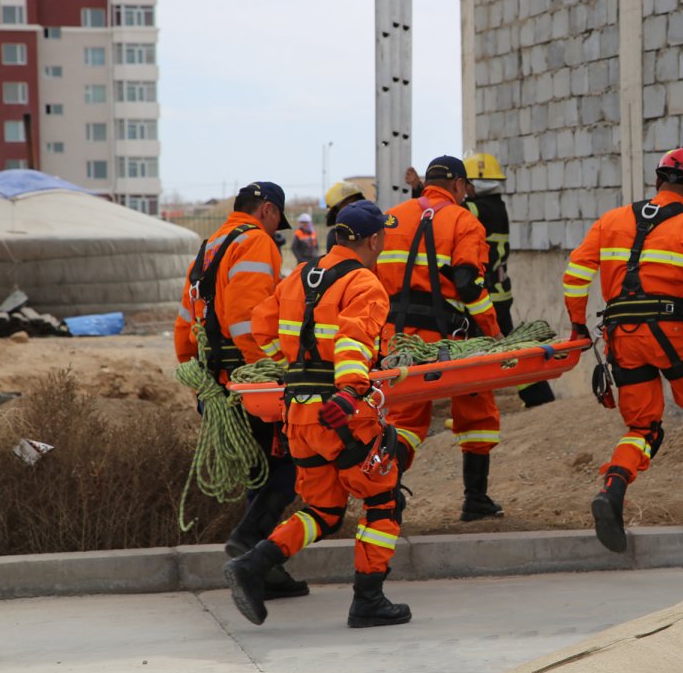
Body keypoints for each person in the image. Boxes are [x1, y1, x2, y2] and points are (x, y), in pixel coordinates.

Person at [225, 199, 410, 628]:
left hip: (298, 415)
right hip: (339, 415)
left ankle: (252, 565)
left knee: (324, 510)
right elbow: (353, 342)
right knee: (383, 500)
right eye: (383, 235)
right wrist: (349, 391)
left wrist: (294, 367)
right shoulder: (364, 282)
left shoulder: (300, 275)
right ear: (374, 240)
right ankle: (369, 600)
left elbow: (262, 325)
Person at [562, 148, 683, 553]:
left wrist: (578, 324)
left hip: (622, 336)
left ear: (658, 180)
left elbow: (575, 274)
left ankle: (612, 491)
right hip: (673, 333)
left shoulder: (611, 220)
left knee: (642, 428)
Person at [174, 181, 309, 597]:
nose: (275, 230)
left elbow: (184, 323)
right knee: (292, 465)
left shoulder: (209, 247)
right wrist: (268, 374)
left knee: (260, 471)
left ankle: (262, 572)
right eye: (276, 220)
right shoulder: (255, 242)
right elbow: (245, 319)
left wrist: (200, 380)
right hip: (246, 379)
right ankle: (250, 544)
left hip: (217, 380)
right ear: (267, 210)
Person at [378, 155, 506, 522]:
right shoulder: (464, 221)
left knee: (403, 418)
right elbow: (469, 285)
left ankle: (385, 496)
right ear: (458, 185)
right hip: (453, 338)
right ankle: (475, 499)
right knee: (478, 411)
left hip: (398, 338)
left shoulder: (391, 218)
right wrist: (493, 332)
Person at [461, 152, 554, 408]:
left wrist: (420, 191)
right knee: (508, 344)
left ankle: (534, 397)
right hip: (498, 289)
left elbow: (447, 212)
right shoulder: (495, 206)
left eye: (465, 183)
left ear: (474, 184)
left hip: (487, 292)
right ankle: (538, 396)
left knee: (485, 349)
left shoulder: (478, 209)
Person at [323, 181, 365, 252]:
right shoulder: (336, 236)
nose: (353, 207)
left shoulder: (373, 228)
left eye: (355, 202)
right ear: (335, 212)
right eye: (346, 204)